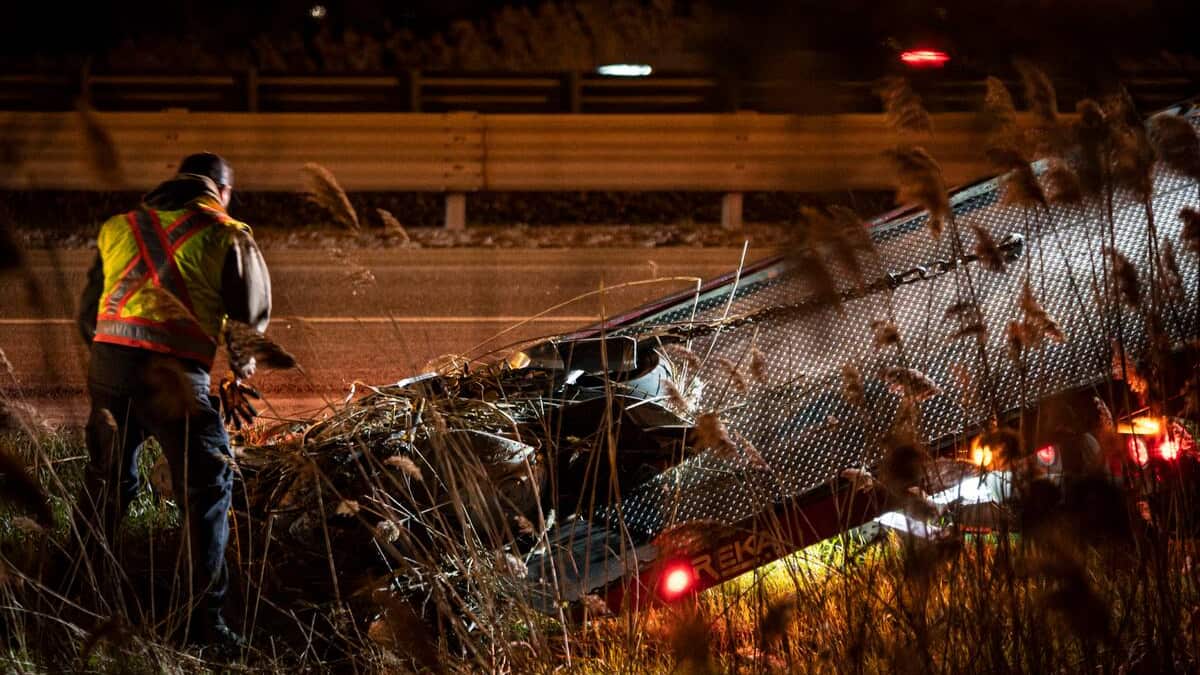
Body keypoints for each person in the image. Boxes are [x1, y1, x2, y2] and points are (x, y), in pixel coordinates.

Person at [75, 153, 271, 650]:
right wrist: (239, 373)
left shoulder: (121, 226)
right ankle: (202, 623)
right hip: (173, 376)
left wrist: (113, 366)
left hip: (108, 365)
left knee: (106, 484)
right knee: (207, 485)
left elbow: (88, 313)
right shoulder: (227, 232)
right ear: (221, 192)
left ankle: (71, 596)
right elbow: (248, 321)